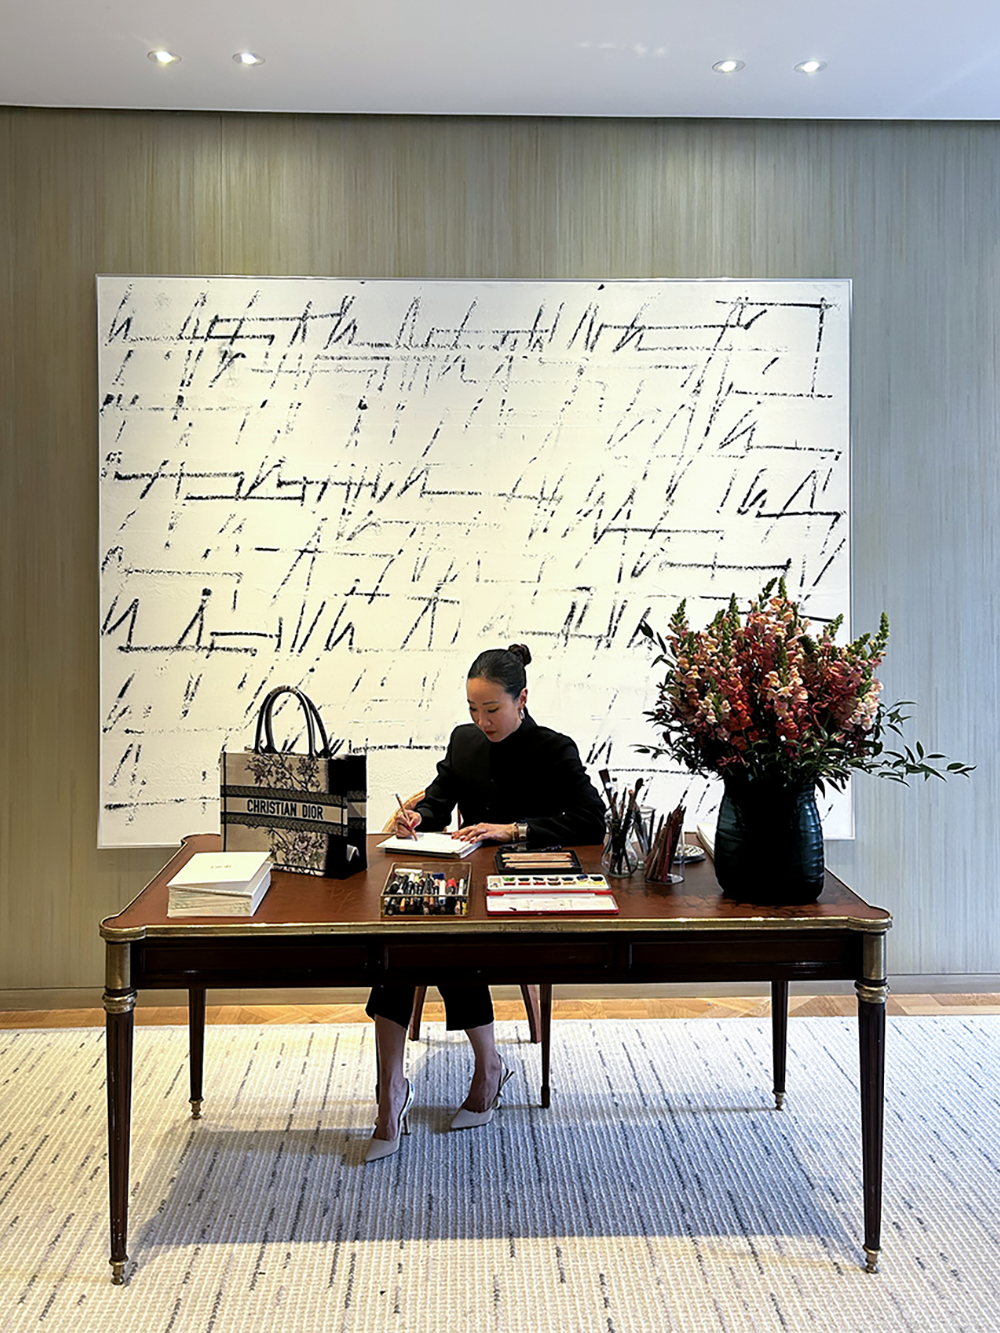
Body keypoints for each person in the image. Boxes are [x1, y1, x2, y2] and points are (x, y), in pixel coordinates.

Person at [364, 642, 607, 1161]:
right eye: (473, 709)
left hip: (523, 886)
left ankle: (488, 1068)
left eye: (492, 709)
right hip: (465, 880)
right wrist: (418, 819)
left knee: (448, 946)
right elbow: (436, 802)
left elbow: (592, 818)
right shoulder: (465, 742)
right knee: (394, 944)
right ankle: (390, 1089)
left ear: (522, 698)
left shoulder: (553, 749)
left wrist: (514, 829)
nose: (482, 720)